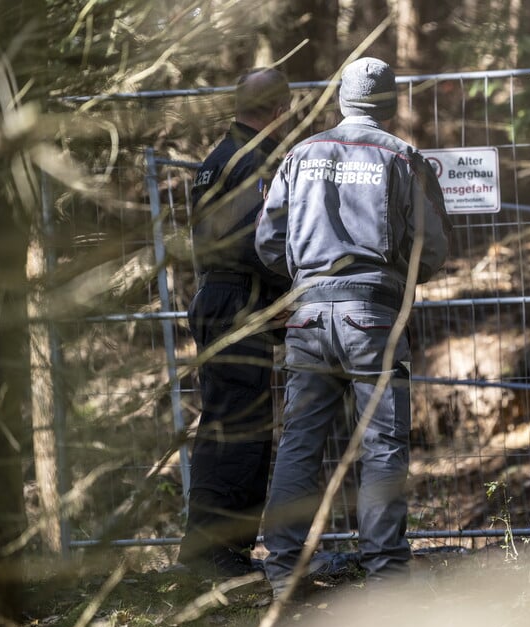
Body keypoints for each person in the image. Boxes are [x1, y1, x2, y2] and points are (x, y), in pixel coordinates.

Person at [255, 57, 451, 593]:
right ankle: (386, 572)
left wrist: (306, 274)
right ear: (389, 105)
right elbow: (432, 247)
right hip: (374, 316)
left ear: (341, 100)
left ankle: (282, 569)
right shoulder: (403, 157)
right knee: (383, 444)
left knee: (300, 442)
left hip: (309, 316)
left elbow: (268, 242)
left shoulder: (299, 155)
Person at [177, 68, 291, 577]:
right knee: (239, 428)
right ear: (278, 110)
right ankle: (215, 552)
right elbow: (253, 241)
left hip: (222, 298)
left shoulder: (218, 157)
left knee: (225, 420)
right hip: (236, 302)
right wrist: (290, 279)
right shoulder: (249, 160)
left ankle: (215, 549)